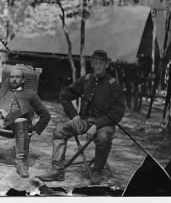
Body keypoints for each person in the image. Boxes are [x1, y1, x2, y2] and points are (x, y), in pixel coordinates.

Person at [37, 50, 126, 184]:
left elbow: (118, 112)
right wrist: (74, 115)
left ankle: (97, 171)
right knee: (60, 130)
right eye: (95, 63)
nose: (98, 66)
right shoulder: (86, 80)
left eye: (101, 63)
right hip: (84, 121)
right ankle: (57, 171)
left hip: (105, 124)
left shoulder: (113, 84)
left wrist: (97, 125)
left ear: (106, 65)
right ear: (92, 64)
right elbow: (64, 95)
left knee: (103, 137)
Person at [0, 67, 51, 178]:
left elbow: (45, 114)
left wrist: (37, 129)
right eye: (12, 77)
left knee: (20, 120)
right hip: (2, 122)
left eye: (17, 77)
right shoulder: (2, 93)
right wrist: (0, 110)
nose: (14, 79)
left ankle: (21, 163)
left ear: (23, 80)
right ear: (8, 79)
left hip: (20, 125)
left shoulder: (31, 94)